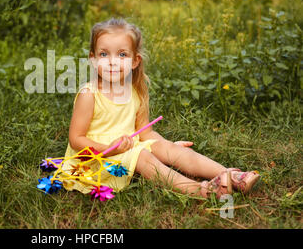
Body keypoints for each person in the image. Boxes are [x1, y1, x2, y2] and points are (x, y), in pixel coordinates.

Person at [63, 17, 260, 199]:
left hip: (127, 147)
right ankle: (201, 190)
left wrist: (167, 147)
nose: (112, 61)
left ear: (135, 61)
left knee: (169, 149)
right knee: (142, 156)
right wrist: (108, 149)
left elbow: (146, 133)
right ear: (93, 59)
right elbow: (76, 139)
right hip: (96, 158)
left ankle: (230, 175)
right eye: (104, 54)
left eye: (122, 54)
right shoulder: (89, 95)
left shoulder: (135, 92)